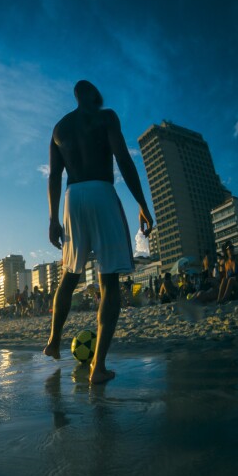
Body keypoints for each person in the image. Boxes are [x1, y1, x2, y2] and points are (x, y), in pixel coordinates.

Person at [43, 81, 153, 384]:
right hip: (101, 191)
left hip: (71, 198)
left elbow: (54, 176)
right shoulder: (106, 117)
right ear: (90, 95)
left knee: (69, 274)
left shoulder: (59, 128)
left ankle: (53, 341)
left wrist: (53, 218)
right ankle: (98, 368)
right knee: (109, 281)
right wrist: (142, 203)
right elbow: (123, 159)